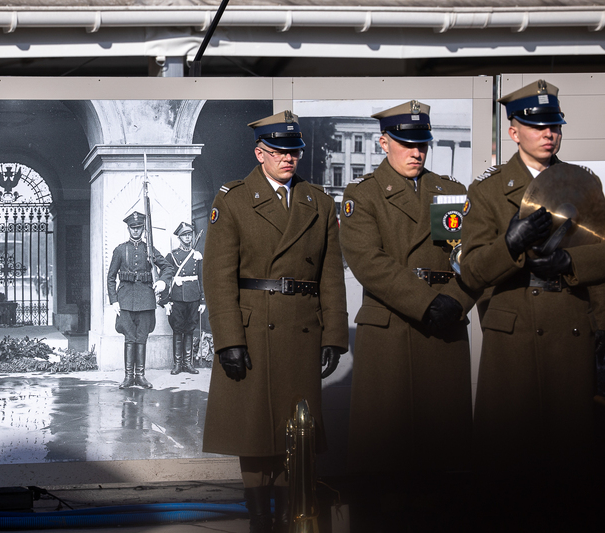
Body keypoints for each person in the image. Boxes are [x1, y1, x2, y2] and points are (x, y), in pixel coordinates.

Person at [461, 80, 605, 516]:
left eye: (554, 125)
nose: (548, 133)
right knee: (510, 467)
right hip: (516, 337)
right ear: (513, 131)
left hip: (572, 327)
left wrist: (573, 268)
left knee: (573, 467)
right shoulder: (486, 191)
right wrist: (511, 246)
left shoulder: (583, 183)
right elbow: (472, 270)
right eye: (536, 125)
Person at [202, 110, 349, 533]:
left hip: (302, 326)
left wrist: (334, 335)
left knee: (296, 433)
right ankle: (259, 518)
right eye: (279, 152)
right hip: (252, 328)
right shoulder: (232, 199)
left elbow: (330, 273)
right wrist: (228, 338)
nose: (289, 159)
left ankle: (291, 513)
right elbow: (218, 275)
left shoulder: (317, 201)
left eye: (294, 152)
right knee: (255, 431)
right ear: (259, 153)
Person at [339, 102, 478, 525]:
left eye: (422, 144)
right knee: (386, 453)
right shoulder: (361, 195)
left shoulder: (449, 191)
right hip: (392, 328)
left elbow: (468, 256)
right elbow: (368, 261)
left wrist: (456, 300)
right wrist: (426, 302)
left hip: (445, 325)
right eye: (405, 143)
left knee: (443, 454)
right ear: (384, 142)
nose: (416, 152)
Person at [107, 211, 173, 390]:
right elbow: (111, 277)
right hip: (126, 299)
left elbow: (168, 267)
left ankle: (140, 376)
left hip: (145, 299)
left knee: (142, 337)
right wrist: (114, 300)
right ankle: (129, 376)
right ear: (128, 228)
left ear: (143, 229)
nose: (136, 231)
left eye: (139, 228)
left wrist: (161, 281)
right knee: (129, 338)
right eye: (132, 228)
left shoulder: (149, 250)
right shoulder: (120, 250)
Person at [163, 222, 204, 375]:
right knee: (178, 329)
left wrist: (203, 300)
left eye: (189, 235)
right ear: (179, 238)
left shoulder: (197, 255)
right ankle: (178, 364)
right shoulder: (172, 255)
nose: (188, 237)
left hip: (193, 296)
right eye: (185, 235)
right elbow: (166, 277)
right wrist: (165, 300)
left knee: (190, 329)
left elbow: (201, 278)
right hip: (178, 297)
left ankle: (188, 363)